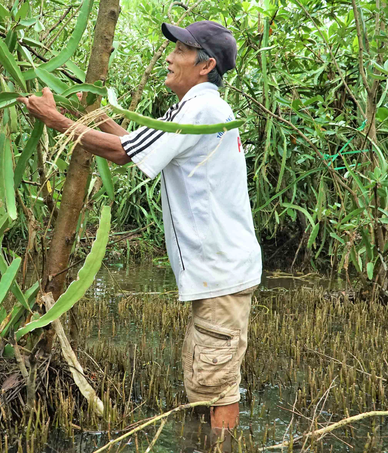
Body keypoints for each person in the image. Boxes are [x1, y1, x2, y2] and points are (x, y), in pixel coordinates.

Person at [18, 20, 262, 433]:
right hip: (219, 271)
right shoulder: (196, 107)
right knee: (206, 381)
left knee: (217, 386)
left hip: (221, 274)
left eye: (181, 51)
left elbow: (121, 154)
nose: (169, 57)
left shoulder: (200, 108)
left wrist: (58, 122)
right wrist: (89, 115)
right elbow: (137, 141)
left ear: (205, 66)